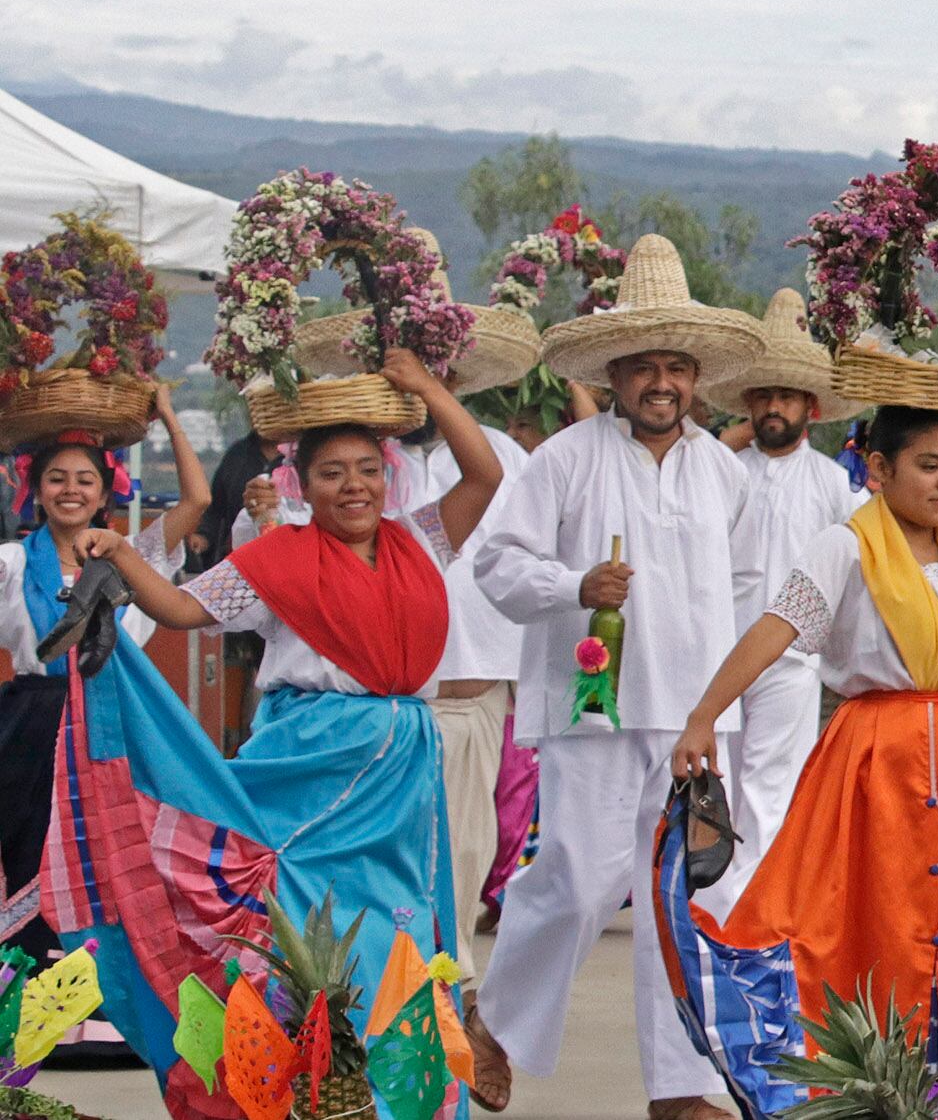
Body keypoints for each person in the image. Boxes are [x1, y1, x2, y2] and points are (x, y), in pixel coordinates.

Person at [49, 351, 501, 1111]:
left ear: (387, 476)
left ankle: (397, 1099)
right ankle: (290, 1093)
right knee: (282, 924)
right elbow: (181, 609)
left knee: (399, 928)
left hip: (398, 779)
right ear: (302, 483)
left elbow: (482, 474)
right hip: (305, 768)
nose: (353, 485)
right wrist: (121, 549)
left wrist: (426, 390)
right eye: (331, 472)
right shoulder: (275, 559)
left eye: (367, 468)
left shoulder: (419, 541)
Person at [670, 365, 938, 1117]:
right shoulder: (845, 546)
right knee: (871, 937)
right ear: (877, 468)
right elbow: (775, 629)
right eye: (929, 466)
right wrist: (705, 713)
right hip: (877, 760)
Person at [464, 235, 767, 1120]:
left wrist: (731, 704)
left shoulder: (723, 471)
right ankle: (499, 1026)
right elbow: (497, 564)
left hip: (700, 719)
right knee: (581, 876)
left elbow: (748, 597)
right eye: (644, 367)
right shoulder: (567, 457)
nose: (661, 382)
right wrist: (573, 585)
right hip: (594, 708)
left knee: (687, 895)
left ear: (696, 376)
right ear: (617, 372)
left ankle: (683, 1089)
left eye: (677, 365)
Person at [295, 227, 544, 1001]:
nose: (413, 382)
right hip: (389, 700)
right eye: (398, 365)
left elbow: (532, 553)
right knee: (385, 853)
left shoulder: (501, 449)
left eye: (431, 366)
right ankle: (374, 992)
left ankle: (452, 993)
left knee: (467, 848)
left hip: (472, 685)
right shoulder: (367, 466)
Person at [1, 386, 209, 974]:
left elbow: (197, 501)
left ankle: (110, 993)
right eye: (57, 479)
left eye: (85, 480)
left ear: (104, 493)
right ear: (36, 492)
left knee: (117, 851)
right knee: (31, 852)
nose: (71, 490)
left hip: (113, 719)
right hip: (36, 725)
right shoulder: (11, 564)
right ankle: (29, 990)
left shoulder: (128, 559)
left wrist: (168, 413)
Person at [701, 288, 867, 850]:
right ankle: (709, 917)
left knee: (770, 793)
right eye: (764, 396)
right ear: (748, 403)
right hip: (715, 651)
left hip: (793, 660)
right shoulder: (719, 472)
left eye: (787, 397)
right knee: (709, 785)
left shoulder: (834, 483)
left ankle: (754, 924)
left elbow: (867, 561)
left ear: (810, 407)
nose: (775, 408)